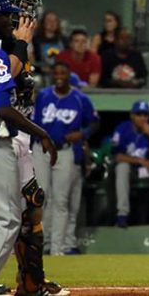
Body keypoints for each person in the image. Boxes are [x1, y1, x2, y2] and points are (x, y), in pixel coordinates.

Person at [0, 0, 60, 295]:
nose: (21, 15)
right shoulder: (6, 42)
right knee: (14, 213)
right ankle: (31, 283)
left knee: (27, 209)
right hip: (7, 131)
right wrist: (21, 42)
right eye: (16, 9)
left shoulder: (11, 41)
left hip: (15, 131)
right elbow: (9, 71)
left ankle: (32, 280)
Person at [31, 61, 99, 255]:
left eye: (63, 72)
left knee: (61, 201)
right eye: (56, 72)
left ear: (69, 75)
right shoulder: (43, 95)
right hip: (41, 150)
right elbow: (32, 122)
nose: (59, 75)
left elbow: (94, 123)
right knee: (41, 198)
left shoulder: (80, 99)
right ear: (52, 75)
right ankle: (42, 244)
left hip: (65, 151)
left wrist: (82, 134)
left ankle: (57, 248)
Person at [111, 100, 149, 228]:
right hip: (131, 171)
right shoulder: (122, 129)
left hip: (146, 172)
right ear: (132, 116)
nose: (143, 118)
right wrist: (142, 161)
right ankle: (122, 214)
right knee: (122, 167)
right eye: (139, 114)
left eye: (145, 115)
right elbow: (117, 156)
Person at [31, 11, 68, 76]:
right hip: (41, 74)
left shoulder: (64, 40)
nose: (52, 23)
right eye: (49, 20)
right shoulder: (35, 39)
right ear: (43, 23)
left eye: (54, 21)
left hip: (62, 73)